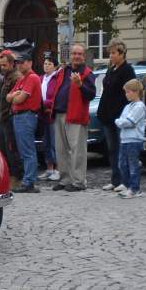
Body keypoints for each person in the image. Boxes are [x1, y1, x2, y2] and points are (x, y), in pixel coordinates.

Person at [50, 44, 96, 193]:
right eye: (74, 53)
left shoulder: (87, 73)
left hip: (76, 115)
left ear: (83, 57)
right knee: (61, 149)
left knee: (77, 151)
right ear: (70, 55)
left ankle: (78, 181)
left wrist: (80, 85)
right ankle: (65, 180)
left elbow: (91, 94)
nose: (77, 56)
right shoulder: (64, 71)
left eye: (79, 54)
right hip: (59, 113)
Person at [97, 40, 135, 191]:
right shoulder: (111, 69)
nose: (110, 56)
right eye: (110, 53)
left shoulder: (127, 70)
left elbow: (130, 93)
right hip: (108, 115)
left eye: (113, 53)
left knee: (122, 149)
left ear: (121, 54)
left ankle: (125, 181)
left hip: (120, 115)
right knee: (112, 149)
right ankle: (115, 179)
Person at [7, 54, 42, 193]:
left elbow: (19, 99)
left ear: (30, 63)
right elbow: (8, 96)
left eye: (22, 62)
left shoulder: (32, 78)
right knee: (24, 150)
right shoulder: (22, 79)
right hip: (20, 116)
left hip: (26, 116)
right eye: (18, 63)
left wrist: (14, 97)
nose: (19, 65)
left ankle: (29, 182)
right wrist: (13, 96)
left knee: (27, 151)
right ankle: (28, 180)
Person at [114, 79, 146, 198]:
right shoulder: (127, 107)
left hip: (134, 139)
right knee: (122, 164)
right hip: (125, 139)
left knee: (133, 165)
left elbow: (130, 122)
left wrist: (120, 122)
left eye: (128, 92)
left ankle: (135, 188)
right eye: (126, 92)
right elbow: (122, 119)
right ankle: (127, 185)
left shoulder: (140, 106)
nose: (126, 94)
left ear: (136, 92)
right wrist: (120, 121)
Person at [0, 51, 21, 180]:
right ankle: (9, 174)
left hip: (9, 118)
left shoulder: (16, 77)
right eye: (1, 66)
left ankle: (16, 176)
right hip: (3, 118)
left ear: (12, 64)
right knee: (3, 148)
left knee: (11, 148)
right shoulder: (6, 76)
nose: (2, 68)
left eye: (4, 65)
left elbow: (14, 99)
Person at [38, 56, 60, 181]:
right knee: (46, 142)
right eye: (45, 63)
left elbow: (56, 96)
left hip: (52, 114)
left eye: (49, 63)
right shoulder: (41, 78)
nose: (46, 66)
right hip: (42, 115)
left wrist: (46, 104)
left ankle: (57, 169)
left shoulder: (56, 78)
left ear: (55, 66)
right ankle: (49, 168)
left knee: (54, 142)